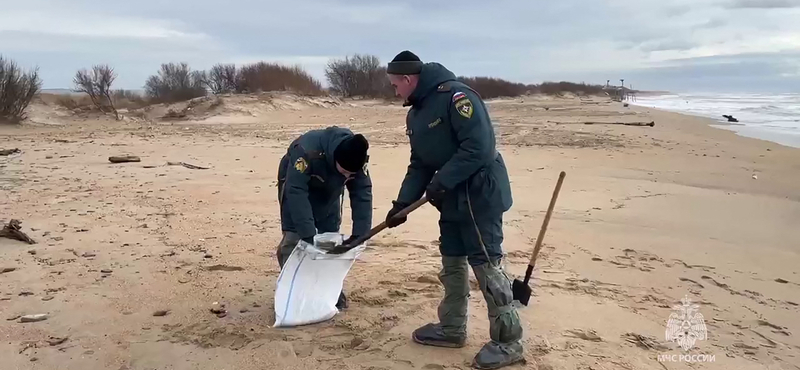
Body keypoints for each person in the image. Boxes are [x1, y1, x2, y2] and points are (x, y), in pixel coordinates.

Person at [384, 51, 524, 369]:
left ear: (408, 79)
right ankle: (451, 328)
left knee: (486, 266)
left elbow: (480, 147)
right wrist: (402, 204)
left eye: (395, 85)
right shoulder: (416, 115)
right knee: (452, 264)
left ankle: (508, 341)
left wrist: (441, 181)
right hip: (448, 198)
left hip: (479, 195)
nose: (395, 92)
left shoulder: (457, 97)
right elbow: (419, 163)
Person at [276, 126, 372, 310]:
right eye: (345, 172)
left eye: (351, 175)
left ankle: (326, 288)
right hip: (296, 183)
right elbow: (296, 192)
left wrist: (361, 233)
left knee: (329, 236)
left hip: (330, 187)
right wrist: (308, 234)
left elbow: (362, 191)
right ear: (335, 158)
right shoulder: (305, 152)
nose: (349, 176)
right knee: (295, 237)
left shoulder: (356, 160)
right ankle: (294, 286)